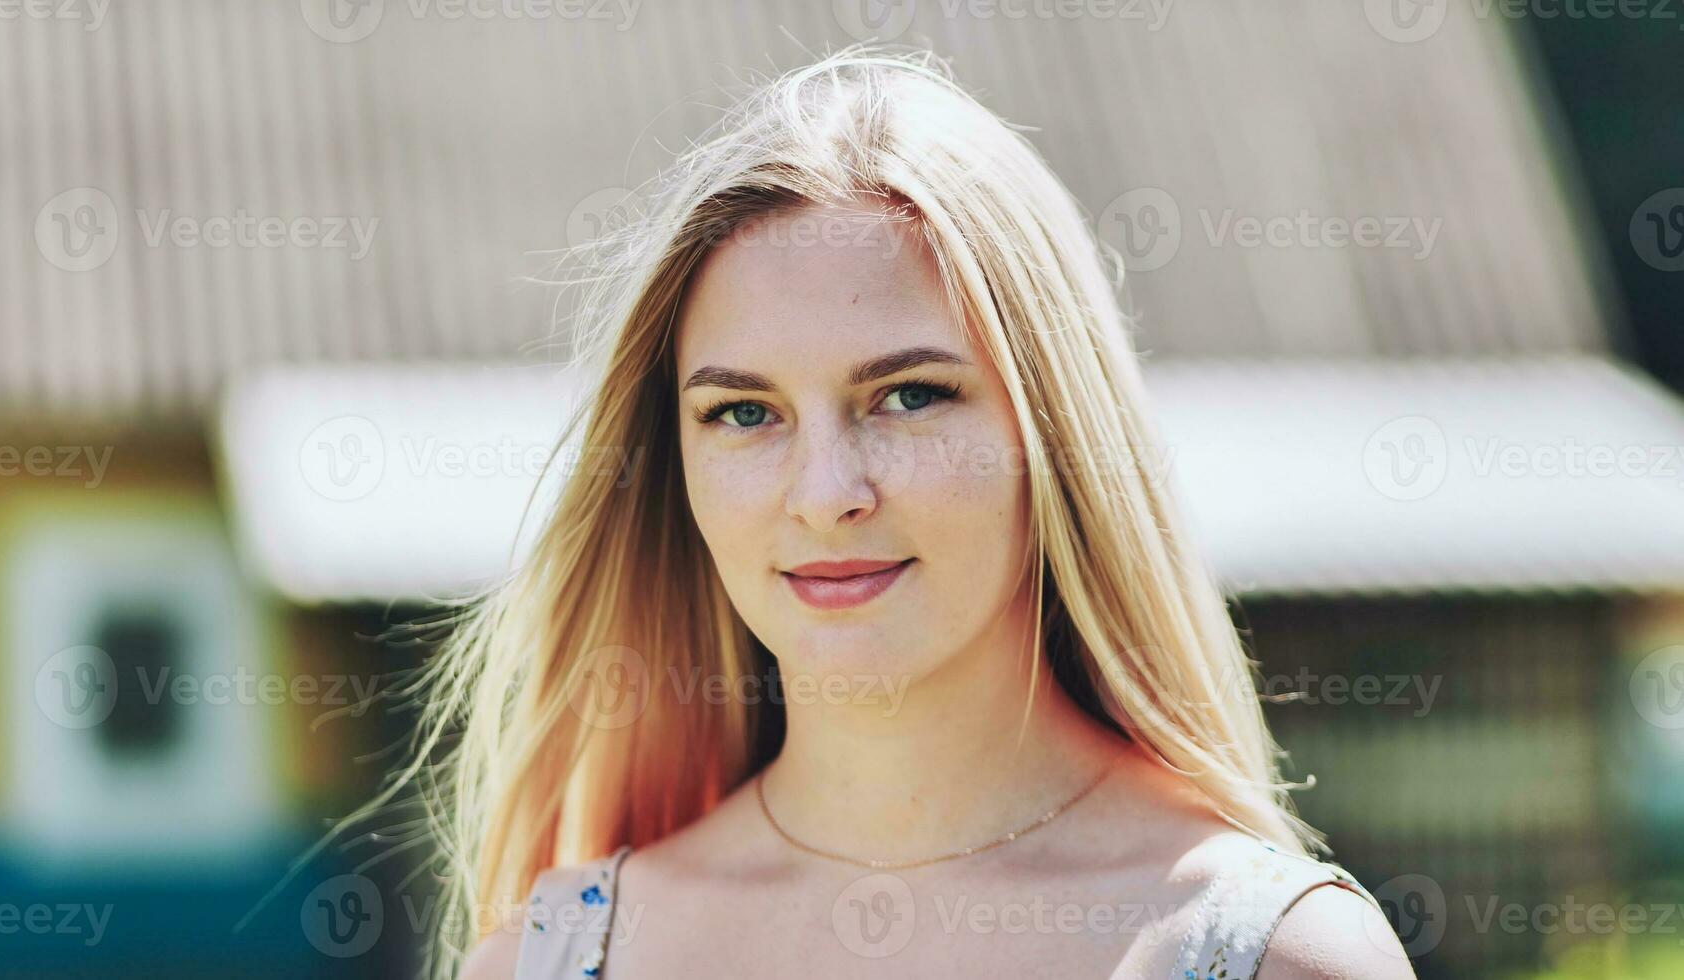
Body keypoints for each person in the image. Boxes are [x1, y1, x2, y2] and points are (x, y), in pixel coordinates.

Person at [430, 46, 1416, 979]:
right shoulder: (550, 959)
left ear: (1053, 427)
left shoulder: (1272, 955)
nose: (825, 493)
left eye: (907, 395)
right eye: (742, 411)